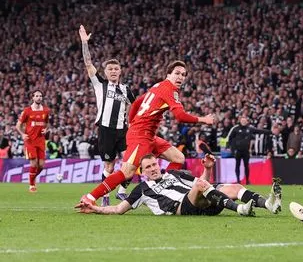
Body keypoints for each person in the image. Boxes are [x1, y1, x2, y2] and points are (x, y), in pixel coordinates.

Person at [78, 60, 217, 207]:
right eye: (177, 73)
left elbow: (137, 102)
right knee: (127, 172)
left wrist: (131, 122)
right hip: (140, 135)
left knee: (178, 158)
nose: (180, 77)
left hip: (148, 135)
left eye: (183, 75)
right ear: (168, 74)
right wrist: (203, 119)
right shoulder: (169, 90)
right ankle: (90, 197)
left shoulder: (158, 85)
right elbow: (180, 116)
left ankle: (161, 188)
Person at [75, 154, 257, 216]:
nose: (153, 168)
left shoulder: (173, 173)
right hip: (180, 208)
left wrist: (208, 169)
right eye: (148, 167)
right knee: (201, 186)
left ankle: (268, 204)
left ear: (158, 164)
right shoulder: (142, 189)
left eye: (154, 164)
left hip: (200, 204)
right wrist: (95, 208)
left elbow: (203, 182)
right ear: (143, 172)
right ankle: (240, 209)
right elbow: (118, 209)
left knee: (234, 187)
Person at [80, 25, 136, 204]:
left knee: (132, 162)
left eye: (116, 69)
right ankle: (105, 195)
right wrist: (84, 43)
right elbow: (88, 63)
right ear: (105, 72)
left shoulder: (126, 90)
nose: (113, 71)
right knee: (109, 166)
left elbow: (135, 107)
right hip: (105, 129)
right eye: (110, 69)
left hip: (123, 130)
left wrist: (134, 122)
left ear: (120, 71)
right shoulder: (100, 85)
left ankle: (121, 191)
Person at [15, 90, 51, 193]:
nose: (39, 97)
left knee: (41, 165)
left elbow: (47, 124)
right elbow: (18, 125)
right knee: (34, 164)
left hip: (41, 141)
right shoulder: (27, 111)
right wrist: (22, 134)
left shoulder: (46, 110)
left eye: (40, 96)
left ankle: (32, 177)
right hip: (30, 141)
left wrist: (46, 129)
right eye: (37, 96)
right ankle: (31, 184)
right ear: (33, 98)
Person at [227, 115, 255, 184]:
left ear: (247, 122)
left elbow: (252, 139)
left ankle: (247, 180)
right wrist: (231, 148)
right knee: (237, 165)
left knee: (246, 166)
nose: (244, 122)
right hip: (238, 150)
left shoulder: (249, 129)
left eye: (245, 121)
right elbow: (230, 138)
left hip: (246, 151)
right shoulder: (235, 128)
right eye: (242, 121)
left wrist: (250, 148)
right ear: (240, 121)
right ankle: (238, 180)